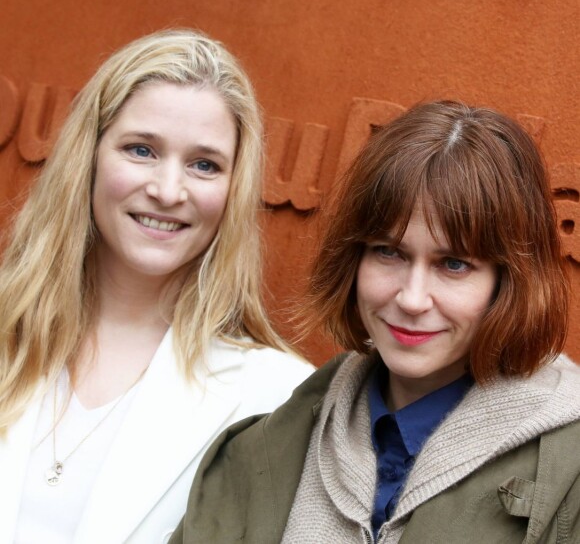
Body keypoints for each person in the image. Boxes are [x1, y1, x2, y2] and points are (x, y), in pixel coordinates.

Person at [170, 100, 580, 543]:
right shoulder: (265, 447)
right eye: (390, 252)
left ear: (508, 282)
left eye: (454, 264)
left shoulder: (568, 468)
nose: (412, 298)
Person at [0, 29, 314, 544]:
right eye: (141, 150)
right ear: (90, 156)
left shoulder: (274, 399)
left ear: (233, 189)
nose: (168, 190)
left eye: (204, 165)